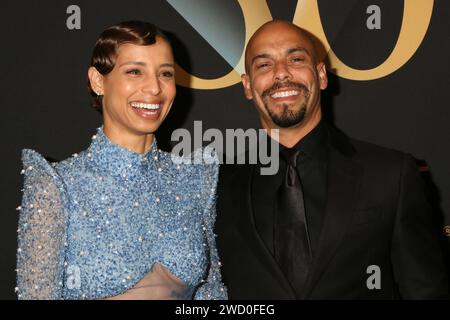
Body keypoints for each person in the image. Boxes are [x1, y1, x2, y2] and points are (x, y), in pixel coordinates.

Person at [215, 20, 449, 299]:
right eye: (264, 65)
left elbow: (425, 292)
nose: (281, 74)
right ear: (248, 86)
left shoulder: (391, 175)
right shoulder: (218, 187)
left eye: (296, 59)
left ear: (322, 75)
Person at [16, 20, 227, 300]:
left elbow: (210, 292)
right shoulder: (58, 186)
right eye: (135, 71)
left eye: (165, 73)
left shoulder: (194, 177)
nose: (154, 88)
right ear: (98, 81)